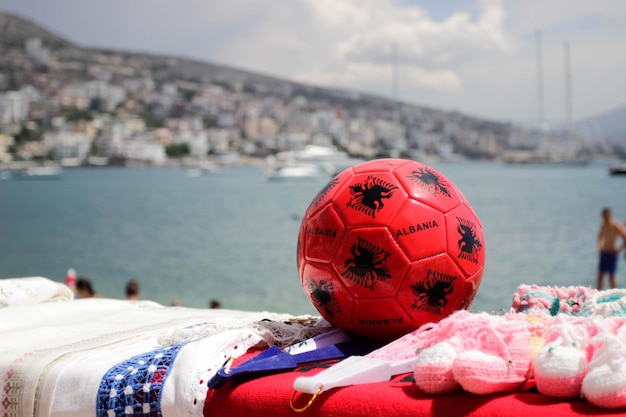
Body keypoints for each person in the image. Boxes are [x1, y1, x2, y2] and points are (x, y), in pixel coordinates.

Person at [597, 207, 626, 290]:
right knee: (601, 275)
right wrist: (600, 246)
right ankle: (597, 293)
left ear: (610, 215)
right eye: (604, 217)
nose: (606, 218)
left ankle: (614, 294)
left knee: (611, 276)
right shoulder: (603, 226)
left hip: (612, 253)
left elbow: (625, 238)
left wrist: (618, 249)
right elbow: (600, 237)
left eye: (607, 216)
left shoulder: (615, 225)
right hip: (604, 252)